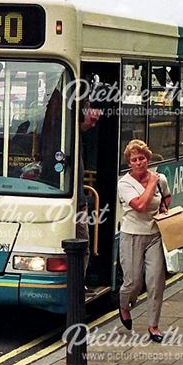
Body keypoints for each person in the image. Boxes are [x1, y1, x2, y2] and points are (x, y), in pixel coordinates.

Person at [116, 139, 170, 343]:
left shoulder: (160, 179)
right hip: (132, 234)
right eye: (134, 160)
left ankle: (153, 326)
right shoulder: (124, 183)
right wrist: (152, 184)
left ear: (148, 159)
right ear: (129, 163)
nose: (139, 163)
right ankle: (123, 305)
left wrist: (163, 208)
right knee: (133, 282)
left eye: (142, 158)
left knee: (156, 281)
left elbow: (166, 197)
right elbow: (139, 205)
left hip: (154, 234)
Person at [76, 102, 102, 279]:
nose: (93, 126)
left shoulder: (77, 138)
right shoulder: (66, 137)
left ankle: (79, 281)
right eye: (91, 120)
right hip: (75, 203)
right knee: (82, 245)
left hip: (79, 202)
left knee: (83, 245)